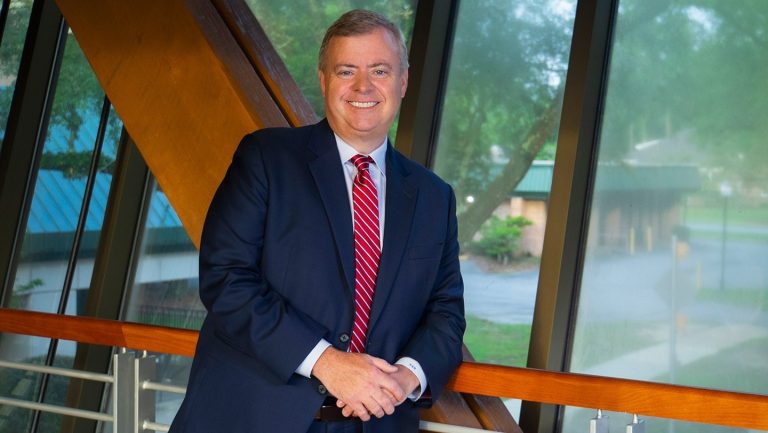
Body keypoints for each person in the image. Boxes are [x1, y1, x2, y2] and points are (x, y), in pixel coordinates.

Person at [169, 9, 465, 433]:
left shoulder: (435, 197)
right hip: (254, 418)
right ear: (324, 80)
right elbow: (226, 278)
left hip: (377, 421)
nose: (364, 86)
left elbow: (446, 312)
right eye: (347, 70)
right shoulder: (266, 159)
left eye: (380, 70)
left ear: (402, 82)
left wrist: (407, 377)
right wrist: (327, 362)